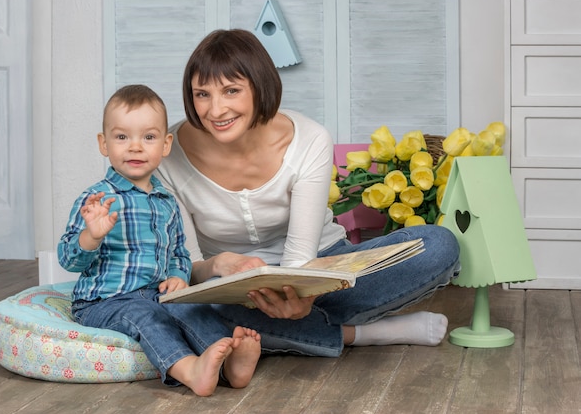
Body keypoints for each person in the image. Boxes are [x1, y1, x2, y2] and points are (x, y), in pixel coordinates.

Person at [156, 29, 461, 358]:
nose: (216, 110)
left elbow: (300, 260)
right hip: (229, 289)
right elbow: (188, 264)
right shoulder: (166, 153)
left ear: (259, 87)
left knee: (438, 245)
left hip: (319, 268)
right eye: (202, 94)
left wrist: (303, 295)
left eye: (231, 91)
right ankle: (359, 333)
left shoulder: (310, 139)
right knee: (184, 305)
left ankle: (292, 332)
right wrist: (221, 263)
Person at [57, 84, 261, 396]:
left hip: (156, 293)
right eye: (122, 137)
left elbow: (179, 252)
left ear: (165, 145)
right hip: (105, 301)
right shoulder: (96, 200)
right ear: (103, 143)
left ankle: (230, 365)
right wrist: (91, 236)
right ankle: (188, 368)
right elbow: (69, 259)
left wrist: (179, 277)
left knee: (193, 309)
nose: (135, 147)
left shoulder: (167, 201)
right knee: (147, 317)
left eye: (148, 137)